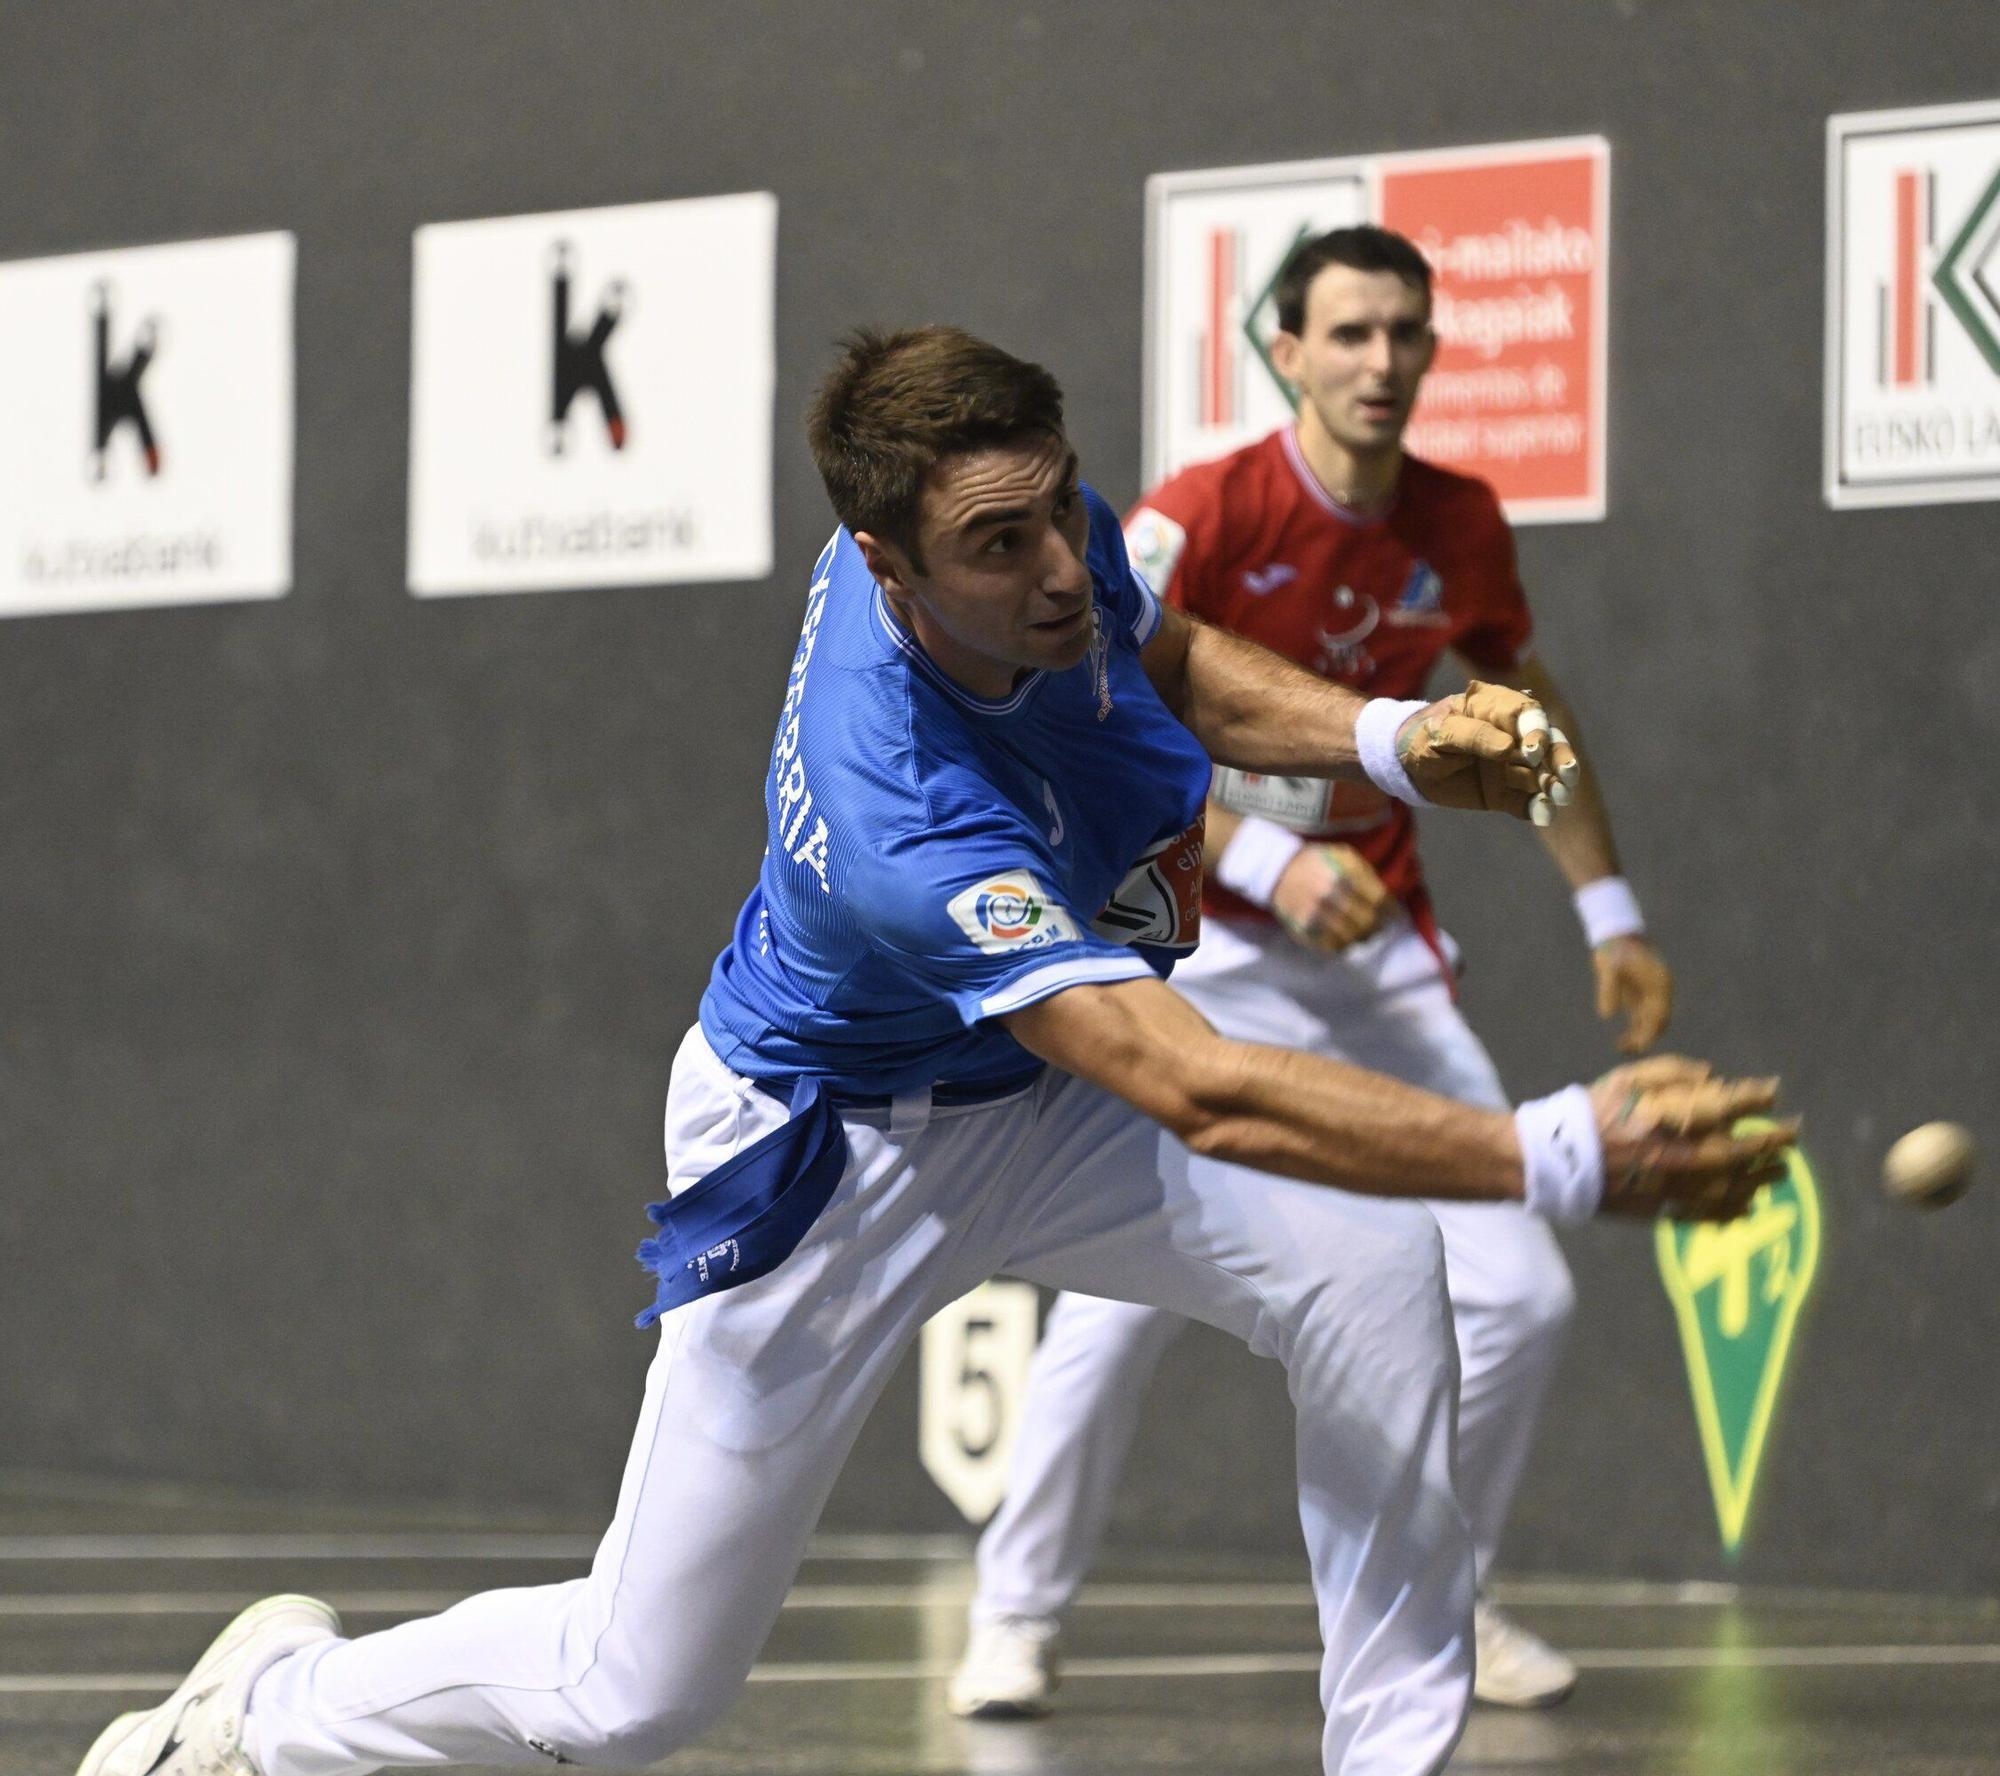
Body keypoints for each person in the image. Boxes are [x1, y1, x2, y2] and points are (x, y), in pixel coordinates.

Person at [77, 326, 1786, 1776]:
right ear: (887, 567)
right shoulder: (907, 823)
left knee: (1371, 1269)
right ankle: (260, 1720)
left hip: (1024, 1094)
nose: (1055, 565)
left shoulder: (1005, 522)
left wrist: (1398, 741)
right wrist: (1562, 1153)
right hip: (829, 1156)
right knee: (635, 1691)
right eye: (999, 545)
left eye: (1060, 511)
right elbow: (1197, 1083)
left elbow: (1163, 648)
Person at [950, 225, 1672, 1720]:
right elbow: (1083, 721)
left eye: (1406, 332)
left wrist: (1606, 908)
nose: (1382, 361)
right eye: (1349, 334)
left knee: (1522, 1297)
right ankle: (1012, 1615)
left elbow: (1525, 711)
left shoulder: (1461, 521)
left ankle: (1441, 1599)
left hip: (1382, 967)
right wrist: (1268, 861)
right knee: (1125, 1300)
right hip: (1201, 956)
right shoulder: (1201, 512)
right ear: (1286, 351)